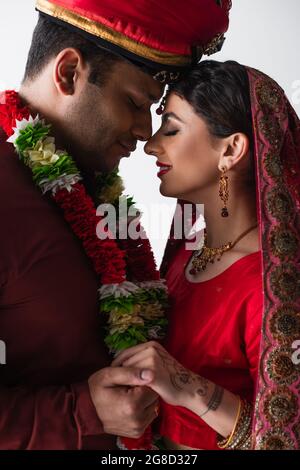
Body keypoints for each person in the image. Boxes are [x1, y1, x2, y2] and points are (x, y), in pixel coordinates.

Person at [0, 0, 231, 450]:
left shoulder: (100, 198)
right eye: (134, 101)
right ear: (68, 72)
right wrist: (80, 411)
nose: (146, 131)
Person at [113, 60, 300, 450]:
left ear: (231, 150)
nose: (151, 145)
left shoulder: (274, 284)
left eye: (172, 130)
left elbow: (285, 437)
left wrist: (187, 387)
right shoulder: (188, 252)